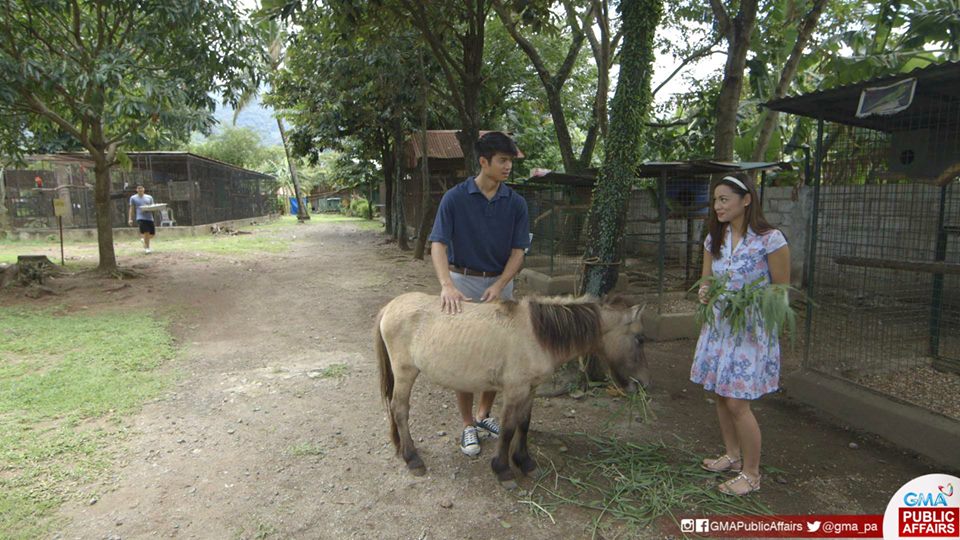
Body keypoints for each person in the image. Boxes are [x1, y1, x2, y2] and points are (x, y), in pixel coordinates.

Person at [428, 131, 530, 457]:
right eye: (502, 160)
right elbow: (438, 244)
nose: (508, 166)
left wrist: (500, 285)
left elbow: (518, 252)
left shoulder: (515, 203)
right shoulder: (455, 198)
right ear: (484, 161)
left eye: (510, 161)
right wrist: (447, 285)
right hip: (463, 283)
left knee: (497, 355)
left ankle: (484, 416)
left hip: (500, 285)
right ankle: (466, 424)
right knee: (465, 355)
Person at [691, 173, 790, 496]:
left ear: (746, 200)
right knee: (721, 394)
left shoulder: (770, 240)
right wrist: (705, 292)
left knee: (736, 402)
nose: (717, 206)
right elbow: (706, 280)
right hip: (720, 327)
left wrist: (750, 302)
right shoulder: (714, 239)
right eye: (715, 200)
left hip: (750, 331)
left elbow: (781, 292)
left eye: (724, 199)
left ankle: (752, 474)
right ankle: (733, 456)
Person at [128, 185, 156, 254]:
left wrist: (150, 208)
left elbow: (153, 206)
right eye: (138, 188)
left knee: (152, 234)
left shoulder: (149, 197)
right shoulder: (133, 198)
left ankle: (144, 240)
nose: (140, 190)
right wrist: (130, 219)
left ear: (144, 189)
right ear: (136, 190)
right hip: (140, 217)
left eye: (141, 188)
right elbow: (131, 208)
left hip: (149, 218)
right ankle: (147, 248)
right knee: (146, 232)